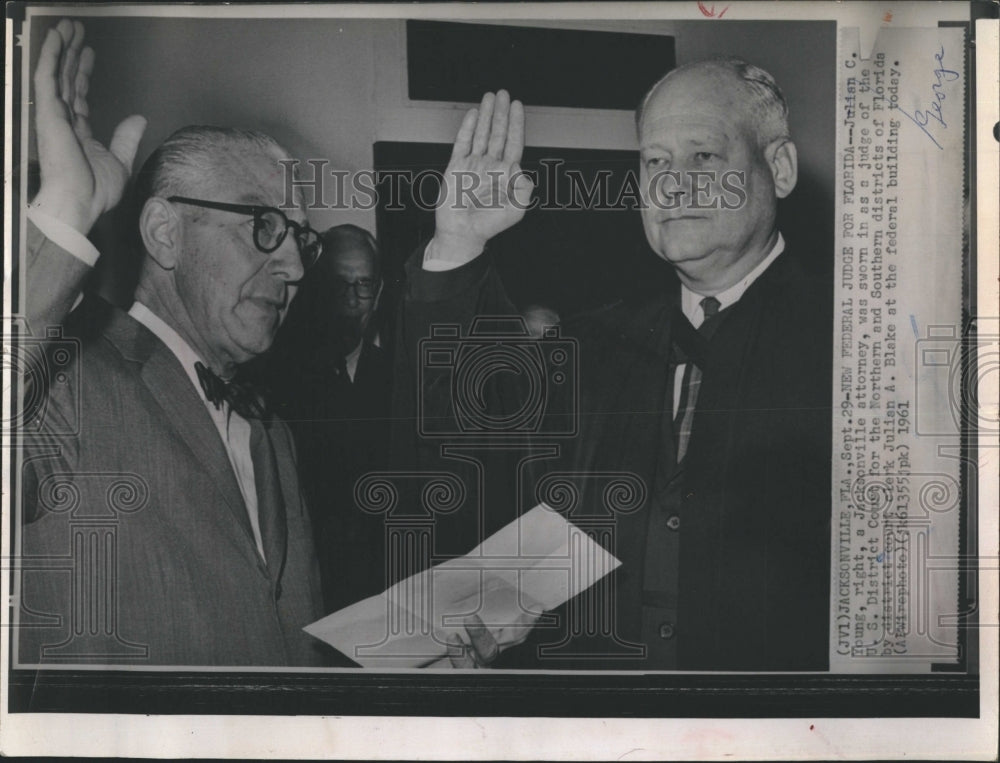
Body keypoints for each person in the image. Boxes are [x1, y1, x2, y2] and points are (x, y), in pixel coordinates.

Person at [396, 59, 832, 670]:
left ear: (778, 168)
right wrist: (460, 244)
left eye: (703, 157)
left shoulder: (855, 346)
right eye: (655, 161)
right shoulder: (595, 342)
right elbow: (470, 436)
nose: (673, 186)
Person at [17, 19, 330, 666]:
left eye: (302, 237)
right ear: (165, 232)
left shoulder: (272, 432)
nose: (296, 266)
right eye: (266, 225)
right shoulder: (64, 379)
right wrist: (63, 222)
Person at [265, 224, 394, 612]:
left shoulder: (399, 376)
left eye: (364, 284)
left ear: (380, 292)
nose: (352, 299)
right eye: (339, 284)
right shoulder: (275, 378)